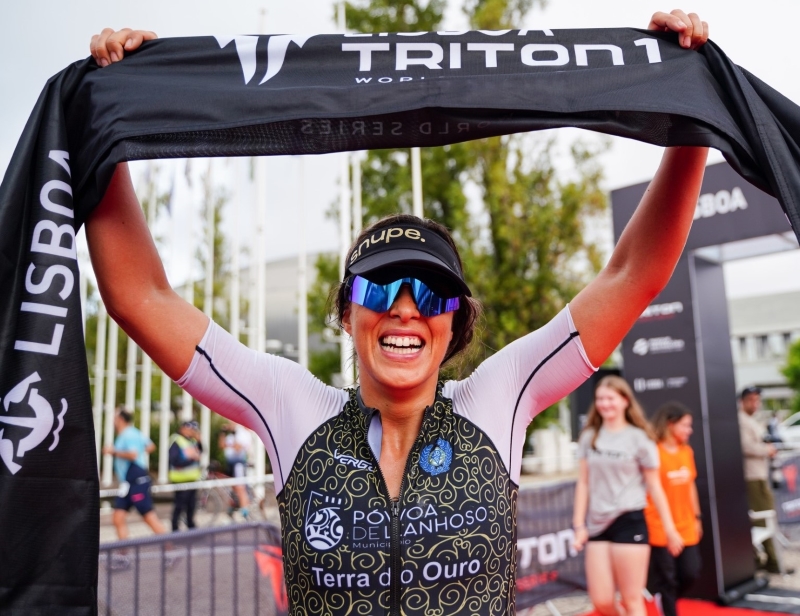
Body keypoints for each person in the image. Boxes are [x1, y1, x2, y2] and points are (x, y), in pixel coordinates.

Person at [87, 11, 708, 614]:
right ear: (347, 314)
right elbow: (142, 298)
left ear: (455, 322)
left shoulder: (498, 398)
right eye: (381, 290)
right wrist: (108, 111)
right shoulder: (290, 404)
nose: (406, 310)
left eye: (431, 293)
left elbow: (631, 275)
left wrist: (691, 107)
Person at [572, 376, 683, 616]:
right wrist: (579, 525)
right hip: (597, 524)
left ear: (625, 401)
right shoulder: (589, 436)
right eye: (600, 399)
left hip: (629, 520)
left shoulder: (639, 438)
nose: (605, 404)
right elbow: (583, 483)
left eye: (610, 398)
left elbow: (655, 487)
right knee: (601, 601)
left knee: (632, 599)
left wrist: (669, 528)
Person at [644, 402, 702, 616]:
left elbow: (691, 486)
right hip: (659, 525)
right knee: (667, 578)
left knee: (690, 573)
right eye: (685, 425)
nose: (690, 430)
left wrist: (697, 518)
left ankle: (664, 599)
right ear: (670, 424)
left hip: (686, 524)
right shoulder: (654, 452)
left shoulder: (686, 451)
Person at [103, 408, 166, 540]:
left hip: (136, 480)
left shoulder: (128, 435)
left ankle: (170, 546)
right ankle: (123, 551)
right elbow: (150, 446)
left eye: (114, 418)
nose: (113, 421)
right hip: (128, 483)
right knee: (118, 517)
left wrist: (113, 451)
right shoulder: (134, 432)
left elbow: (133, 455)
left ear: (120, 419)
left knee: (148, 516)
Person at [739, 385, 781, 572]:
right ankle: (771, 560)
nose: (755, 404)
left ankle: (768, 558)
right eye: (751, 400)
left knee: (766, 515)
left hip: (760, 474)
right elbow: (746, 447)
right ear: (742, 401)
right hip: (752, 476)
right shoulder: (741, 420)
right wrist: (767, 450)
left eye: (757, 400)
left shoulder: (753, 420)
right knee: (763, 516)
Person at [168, 420, 203, 531]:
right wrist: (192, 459)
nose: (193, 432)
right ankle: (175, 529)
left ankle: (191, 528)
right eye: (191, 429)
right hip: (180, 479)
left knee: (191, 505)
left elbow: (201, 451)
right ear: (184, 428)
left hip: (192, 478)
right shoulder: (176, 440)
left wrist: (199, 442)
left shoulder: (191, 440)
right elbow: (174, 460)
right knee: (180, 506)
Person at [218, 422, 252, 519]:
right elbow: (221, 445)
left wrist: (233, 438)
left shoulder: (242, 434)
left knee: (240, 487)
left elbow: (238, 448)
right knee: (233, 487)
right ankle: (234, 506)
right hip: (230, 464)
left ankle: (245, 510)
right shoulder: (230, 436)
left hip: (238, 464)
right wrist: (222, 433)